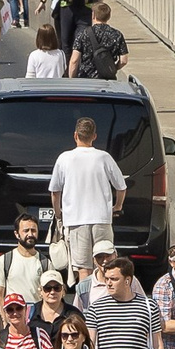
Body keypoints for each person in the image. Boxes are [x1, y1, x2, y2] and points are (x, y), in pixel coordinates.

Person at [45, 117, 125, 282]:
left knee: (83, 267)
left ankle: (87, 304)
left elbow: (55, 192)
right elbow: (121, 187)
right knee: (105, 263)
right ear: (94, 136)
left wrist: (58, 213)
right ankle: (103, 298)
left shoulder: (64, 158)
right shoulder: (104, 157)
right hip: (102, 218)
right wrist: (117, 206)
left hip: (75, 220)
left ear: (75, 135)